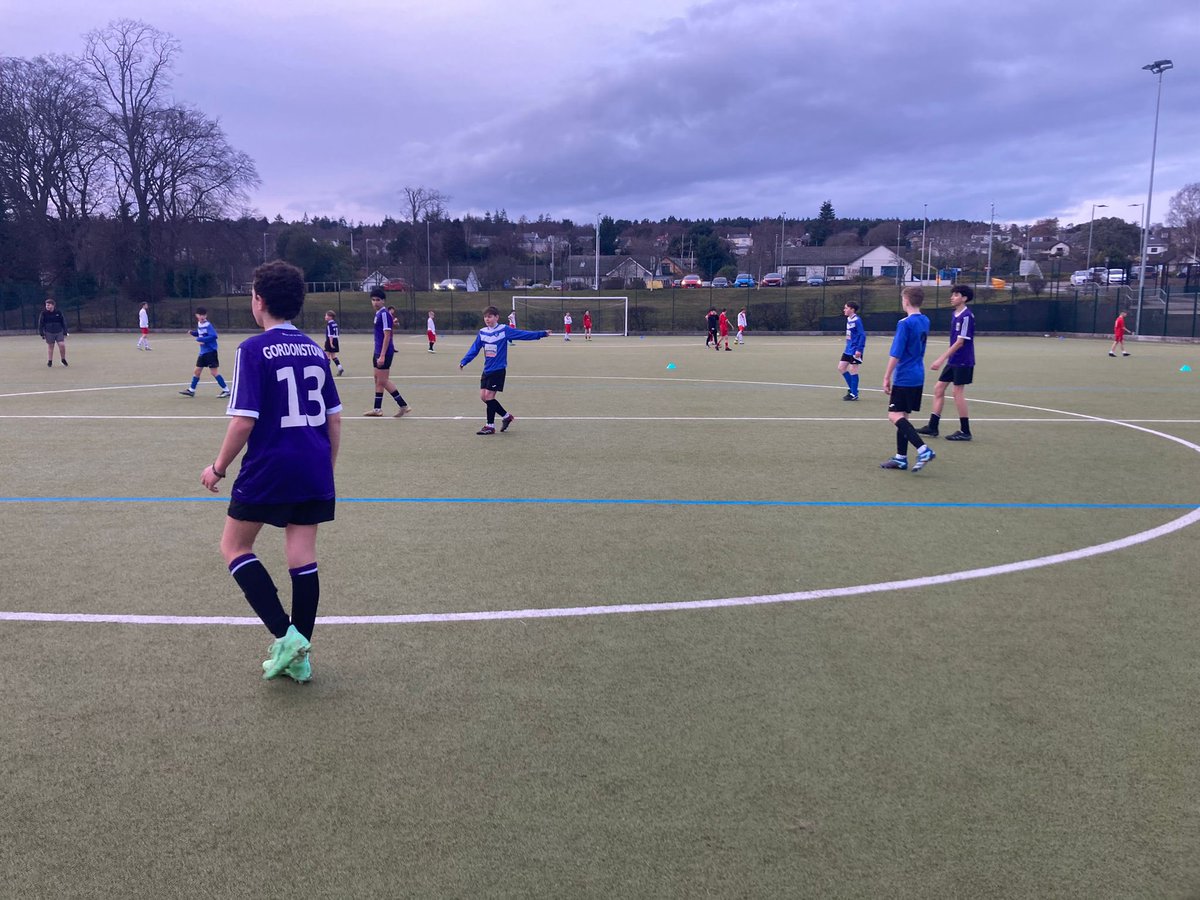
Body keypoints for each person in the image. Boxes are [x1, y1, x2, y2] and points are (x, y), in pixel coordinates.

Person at [199, 260, 342, 684]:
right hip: (314, 466)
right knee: (302, 554)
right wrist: (326, 469)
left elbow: (243, 420)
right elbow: (334, 419)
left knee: (234, 547)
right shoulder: (316, 350)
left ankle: (286, 635)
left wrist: (218, 468)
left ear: (258, 301)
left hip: (270, 467)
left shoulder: (253, 349)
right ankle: (300, 656)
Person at [459, 305, 551, 435]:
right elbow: (475, 348)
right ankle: (506, 417)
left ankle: (489, 426)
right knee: (483, 397)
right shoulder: (483, 332)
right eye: (485, 317)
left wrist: (541, 334)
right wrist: (464, 361)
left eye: (490, 316)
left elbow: (523, 334)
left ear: (496, 317)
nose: (487, 319)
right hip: (487, 370)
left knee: (489, 397)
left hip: (498, 369)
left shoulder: (504, 330)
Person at [881, 286, 935, 472]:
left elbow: (896, 353)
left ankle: (923, 449)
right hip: (918, 374)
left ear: (906, 301)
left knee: (894, 415)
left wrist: (887, 376)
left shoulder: (904, 323)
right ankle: (900, 458)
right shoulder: (925, 320)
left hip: (904, 376)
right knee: (903, 416)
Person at [918, 284, 975, 441]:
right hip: (954, 360)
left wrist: (941, 358)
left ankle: (965, 431)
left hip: (963, 361)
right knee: (938, 389)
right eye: (953, 294)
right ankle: (933, 426)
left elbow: (960, 342)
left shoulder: (966, 316)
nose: (952, 297)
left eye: (956, 295)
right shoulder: (955, 314)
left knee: (957, 393)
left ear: (964, 298)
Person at [365, 287, 412, 417]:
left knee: (383, 380)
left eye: (378, 300)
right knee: (377, 379)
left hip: (384, 352)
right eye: (373, 300)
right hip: (377, 351)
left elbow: (387, 335)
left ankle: (403, 405)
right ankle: (377, 409)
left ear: (383, 301)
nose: (375, 302)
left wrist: (382, 355)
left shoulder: (384, 314)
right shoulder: (379, 313)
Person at [179, 307, 230, 397]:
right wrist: (193, 333)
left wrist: (201, 339)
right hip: (203, 352)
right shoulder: (200, 324)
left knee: (214, 372)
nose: (202, 317)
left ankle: (226, 390)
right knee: (197, 371)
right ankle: (191, 390)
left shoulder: (208, 325)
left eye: (204, 315)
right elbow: (201, 334)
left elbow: (214, 336)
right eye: (200, 315)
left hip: (210, 351)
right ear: (197, 316)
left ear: (206, 315)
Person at [838, 301, 866, 401]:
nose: (844, 310)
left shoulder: (857, 320)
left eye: (846, 308)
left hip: (855, 349)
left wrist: (859, 349)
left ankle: (854, 394)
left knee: (853, 370)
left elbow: (862, 335)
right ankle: (853, 389)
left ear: (852, 309)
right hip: (848, 349)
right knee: (841, 367)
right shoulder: (849, 319)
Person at [37, 298, 68, 367]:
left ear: (53, 305)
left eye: (49, 305)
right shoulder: (43, 313)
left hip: (59, 331)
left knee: (62, 345)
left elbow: (63, 322)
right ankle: (50, 361)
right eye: (46, 305)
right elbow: (41, 324)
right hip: (49, 332)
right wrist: (42, 333)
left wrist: (65, 331)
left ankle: (63, 359)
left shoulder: (58, 312)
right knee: (51, 346)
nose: (47, 306)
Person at [323, 310, 344, 375]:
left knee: (327, 356)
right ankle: (340, 368)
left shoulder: (329, 324)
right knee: (333, 356)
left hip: (330, 340)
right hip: (336, 340)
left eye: (326, 315)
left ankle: (326, 371)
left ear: (330, 317)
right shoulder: (335, 324)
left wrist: (330, 343)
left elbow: (330, 335)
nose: (325, 317)